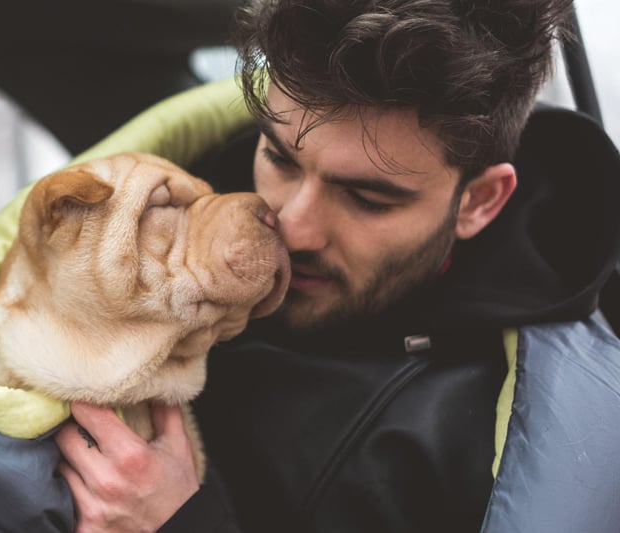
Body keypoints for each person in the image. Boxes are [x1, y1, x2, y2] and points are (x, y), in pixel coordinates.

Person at [53, 0, 620, 531]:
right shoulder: (169, 210)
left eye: (367, 199)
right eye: (278, 158)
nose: (291, 230)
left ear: (478, 202)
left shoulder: (504, 449)